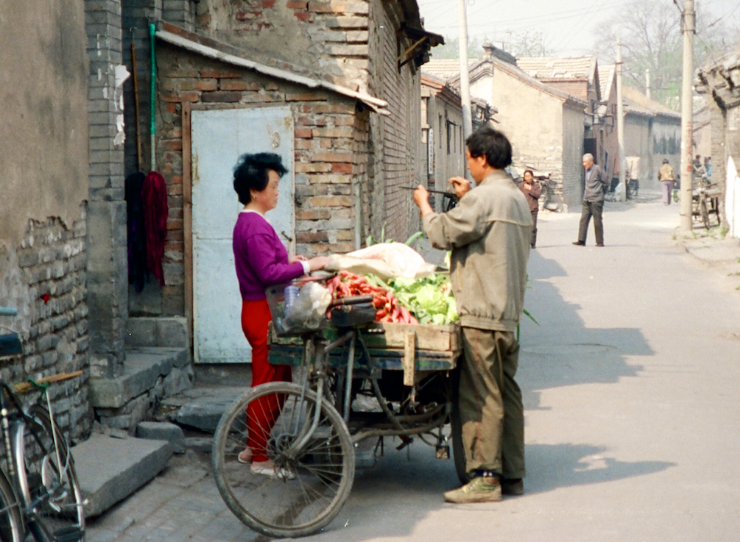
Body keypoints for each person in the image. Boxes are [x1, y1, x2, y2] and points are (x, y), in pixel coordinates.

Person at [413, 126, 532, 503]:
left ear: (482, 159)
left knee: (480, 396)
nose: (468, 167)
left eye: (469, 160)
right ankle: (510, 474)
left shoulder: (484, 200)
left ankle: (485, 478)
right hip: (506, 314)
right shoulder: (514, 197)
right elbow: (486, 230)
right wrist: (468, 196)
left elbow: (444, 234)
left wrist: (425, 206)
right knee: (505, 392)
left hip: (481, 312)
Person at [232, 152, 329, 478]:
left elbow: (273, 268)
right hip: (262, 313)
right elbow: (268, 273)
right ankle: (260, 458)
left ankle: (252, 447)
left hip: (263, 309)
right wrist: (308, 266)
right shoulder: (254, 227)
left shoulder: (253, 222)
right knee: (267, 384)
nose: (277, 192)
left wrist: (293, 264)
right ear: (255, 190)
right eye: (273, 186)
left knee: (279, 379)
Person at [573, 153, 608, 247]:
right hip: (587, 199)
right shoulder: (586, 170)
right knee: (583, 220)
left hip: (596, 199)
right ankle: (581, 240)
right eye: (583, 162)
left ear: (591, 162)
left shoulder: (598, 169)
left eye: (585, 162)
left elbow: (605, 182)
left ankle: (599, 242)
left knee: (597, 221)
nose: (583, 164)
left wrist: (601, 193)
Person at [518, 170, 541, 248]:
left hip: (533, 208)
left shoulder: (536, 185)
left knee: (533, 227)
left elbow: (537, 195)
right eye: (526, 176)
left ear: (532, 176)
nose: (528, 178)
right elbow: (517, 195)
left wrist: (530, 190)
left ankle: (532, 243)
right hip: (523, 208)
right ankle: (524, 243)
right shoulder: (521, 185)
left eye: (529, 176)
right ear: (524, 177)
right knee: (523, 226)